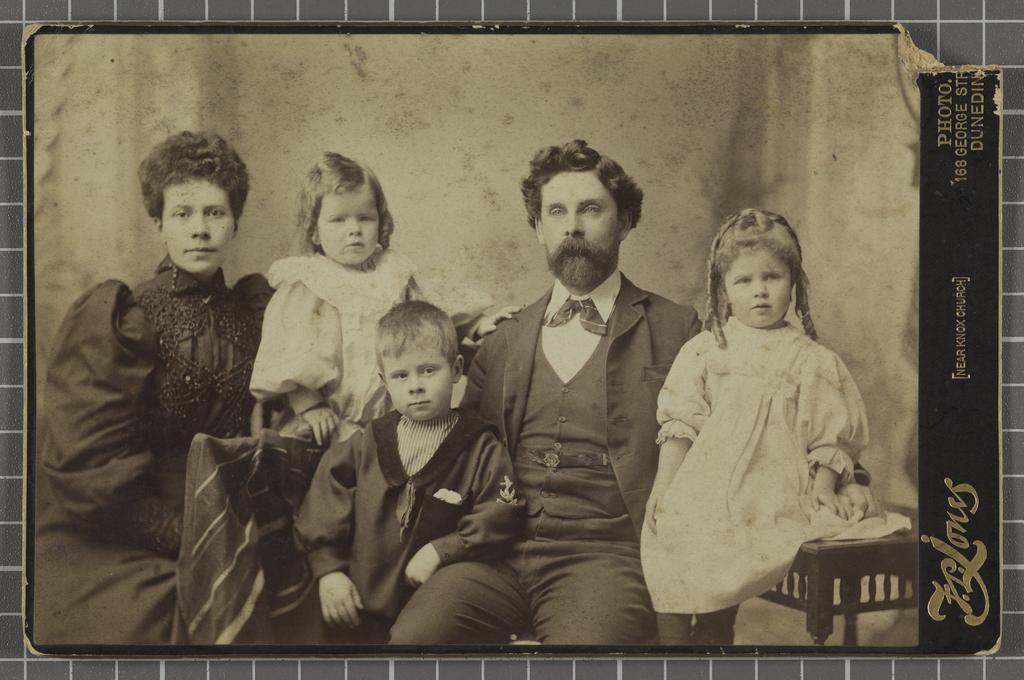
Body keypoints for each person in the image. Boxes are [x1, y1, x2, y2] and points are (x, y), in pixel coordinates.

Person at [391, 141, 884, 646]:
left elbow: (765, 419)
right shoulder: (501, 342)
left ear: (625, 221)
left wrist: (847, 478)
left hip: (606, 559)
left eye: (591, 209)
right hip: (497, 554)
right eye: (556, 212)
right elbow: (455, 452)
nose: (572, 226)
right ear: (538, 228)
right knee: (412, 643)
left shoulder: (680, 331)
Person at [34, 132, 272, 644]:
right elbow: (86, 472)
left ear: (235, 221)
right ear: (159, 222)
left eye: (215, 213)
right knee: (166, 618)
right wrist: (186, 539)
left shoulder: (257, 313)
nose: (201, 230)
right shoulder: (126, 319)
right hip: (122, 536)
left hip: (232, 522)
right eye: (183, 214)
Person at [640, 208, 899, 645]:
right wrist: (664, 485)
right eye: (744, 281)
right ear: (723, 292)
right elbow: (682, 421)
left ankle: (716, 635)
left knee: (732, 537)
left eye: (772, 277)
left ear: (793, 283)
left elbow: (829, 437)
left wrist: (823, 486)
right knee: (672, 529)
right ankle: (672, 647)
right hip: (707, 481)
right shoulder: (706, 351)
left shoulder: (812, 360)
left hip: (772, 485)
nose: (759, 291)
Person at [293, 300, 525, 643]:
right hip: (358, 608)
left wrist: (442, 549)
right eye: (401, 375)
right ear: (384, 380)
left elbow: (501, 512)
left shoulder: (480, 446)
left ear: (457, 368)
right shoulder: (367, 443)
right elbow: (325, 505)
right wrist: (328, 571)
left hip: (433, 612)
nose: (415, 385)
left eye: (429, 370)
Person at [249, 153, 509, 446]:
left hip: (391, 422)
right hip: (328, 424)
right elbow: (289, 355)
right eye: (338, 220)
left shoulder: (394, 272)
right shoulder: (308, 282)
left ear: (380, 221)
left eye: (365, 218)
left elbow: (431, 317)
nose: (354, 230)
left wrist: (476, 326)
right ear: (314, 230)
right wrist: (311, 406)